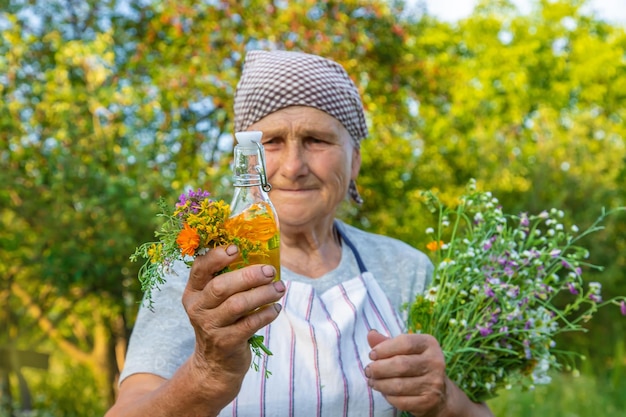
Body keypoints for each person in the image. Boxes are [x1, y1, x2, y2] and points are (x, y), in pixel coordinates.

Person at [106, 50, 494, 417]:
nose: (293, 167)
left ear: (355, 158)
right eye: (270, 143)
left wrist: (444, 399)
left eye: (316, 140)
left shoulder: (406, 268)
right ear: (243, 159)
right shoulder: (195, 272)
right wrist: (206, 375)